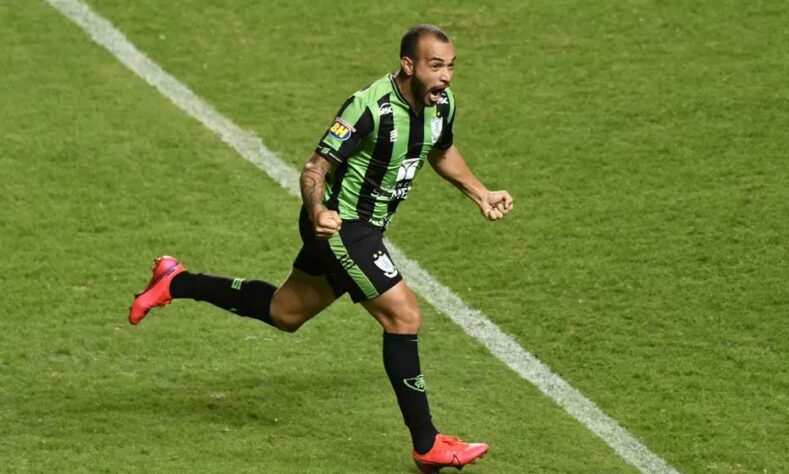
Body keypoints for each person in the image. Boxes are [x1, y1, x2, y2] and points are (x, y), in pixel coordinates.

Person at [129, 23, 513, 472]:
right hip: (339, 225)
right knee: (404, 315)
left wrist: (480, 193)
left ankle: (176, 281)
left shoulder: (440, 105)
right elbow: (314, 168)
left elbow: (440, 150)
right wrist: (316, 213)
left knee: (284, 313)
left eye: (450, 66)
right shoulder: (368, 107)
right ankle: (427, 444)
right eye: (435, 66)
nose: (446, 76)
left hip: (363, 227)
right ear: (408, 65)